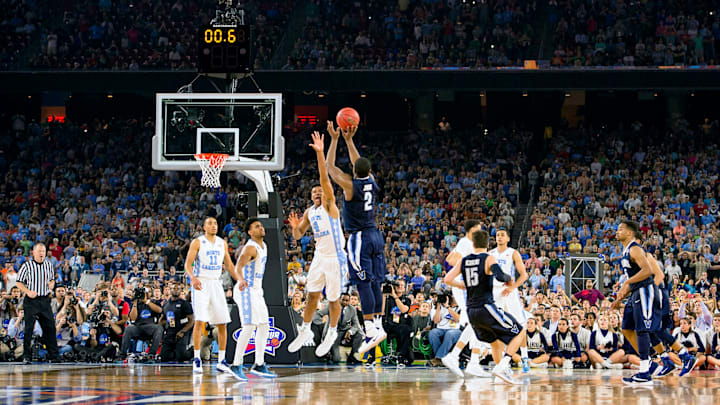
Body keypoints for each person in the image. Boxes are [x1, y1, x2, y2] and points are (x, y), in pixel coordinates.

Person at [326, 121, 387, 356]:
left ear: (354, 171)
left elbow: (330, 168)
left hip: (359, 237)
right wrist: (349, 141)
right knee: (375, 283)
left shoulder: (351, 186)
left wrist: (334, 140)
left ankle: (371, 328)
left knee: (362, 283)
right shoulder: (371, 181)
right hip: (375, 235)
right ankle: (378, 324)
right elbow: (359, 163)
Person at [287, 132, 348, 359]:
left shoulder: (330, 207)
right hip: (320, 257)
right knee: (311, 295)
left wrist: (320, 154)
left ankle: (331, 332)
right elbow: (297, 235)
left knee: (333, 299)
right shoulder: (310, 212)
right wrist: (294, 227)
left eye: (320, 191)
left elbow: (324, 179)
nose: (317, 193)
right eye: (314, 192)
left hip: (336, 258)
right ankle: (304, 330)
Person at [444, 230, 526, 385]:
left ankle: (503, 373)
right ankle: (502, 366)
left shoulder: (464, 260)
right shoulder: (489, 258)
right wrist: (509, 280)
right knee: (520, 332)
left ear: (473, 244)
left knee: (495, 342)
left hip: (471, 311)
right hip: (486, 307)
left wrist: (461, 284)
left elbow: (447, 278)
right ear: (488, 244)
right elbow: (501, 276)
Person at [184, 217, 240, 376]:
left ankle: (222, 361)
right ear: (204, 227)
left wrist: (240, 279)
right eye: (210, 223)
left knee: (222, 323)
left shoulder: (222, 242)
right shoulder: (198, 242)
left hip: (216, 283)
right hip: (201, 282)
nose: (213, 226)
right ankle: (196, 359)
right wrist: (192, 278)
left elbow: (228, 265)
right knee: (199, 320)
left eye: (215, 223)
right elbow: (188, 264)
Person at [439, 219, 492, 378]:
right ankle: (465, 359)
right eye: (478, 228)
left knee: (477, 323)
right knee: (476, 322)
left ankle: (467, 359)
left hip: (470, 287)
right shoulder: (465, 243)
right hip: (465, 287)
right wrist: (464, 277)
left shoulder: (466, 243)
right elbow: (452, 261)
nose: (480, 230)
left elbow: (449, 259)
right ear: (471, 230)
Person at [613, 221, 662, 385]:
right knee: (626, 328)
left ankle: (644, 373)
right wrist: (619, 298)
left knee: (642, 329)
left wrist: (626, 284)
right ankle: (649, 364)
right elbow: (632, 279)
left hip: (644, 291)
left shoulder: (635, 248)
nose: (617, 231)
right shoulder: (626, 250)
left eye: (621, 229)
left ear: (630, 232)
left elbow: (647, 271)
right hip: (635, 292)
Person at [230, 217, 277, 380]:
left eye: (261, 226)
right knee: (249, 326)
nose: (261, 228)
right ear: (250, 232)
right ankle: (236, 365)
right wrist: (241, 279)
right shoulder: (250, 247)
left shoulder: (264, 246)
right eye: (257, 226)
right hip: (246, 290)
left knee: (264, 325)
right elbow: (238, 267)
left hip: (257, 290)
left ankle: (259, 364)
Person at [489, 228, 531, 372]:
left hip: (510, 291)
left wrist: (512, 287)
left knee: (521, 325)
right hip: (495, 293)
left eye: (502, 235)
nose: (499, 237)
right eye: (497, 235)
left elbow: (524, 275)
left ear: (507, 238)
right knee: (497, 328)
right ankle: (501, 363)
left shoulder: (513, 253)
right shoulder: (490, 254)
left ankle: (525, 357)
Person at [15, 243, 60, 364]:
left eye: (43, 251)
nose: (41, 254)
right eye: (39, 251)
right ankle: (26, 356)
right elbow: (19, 282)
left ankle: (54, 355)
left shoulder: (49, 265)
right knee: (29, 328)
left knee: (50, 327)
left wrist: (52, 284)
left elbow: (51, 279)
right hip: (31, 301)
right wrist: (28, 292)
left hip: (45, 300)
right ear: (33, 253)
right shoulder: (27, 266)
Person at [160, 283, 194, 362]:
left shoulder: (185, 304)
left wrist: (183, 331)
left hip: (181, 333)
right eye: (173, 288)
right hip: (169, 333)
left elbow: (191, 320)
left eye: (177, 289)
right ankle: (175, 352)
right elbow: (162, 320)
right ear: (170, 290)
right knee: (164, 357)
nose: (175, 290)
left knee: (181, 357)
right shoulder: (166, 304)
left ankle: (193, 351)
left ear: (180, 290)